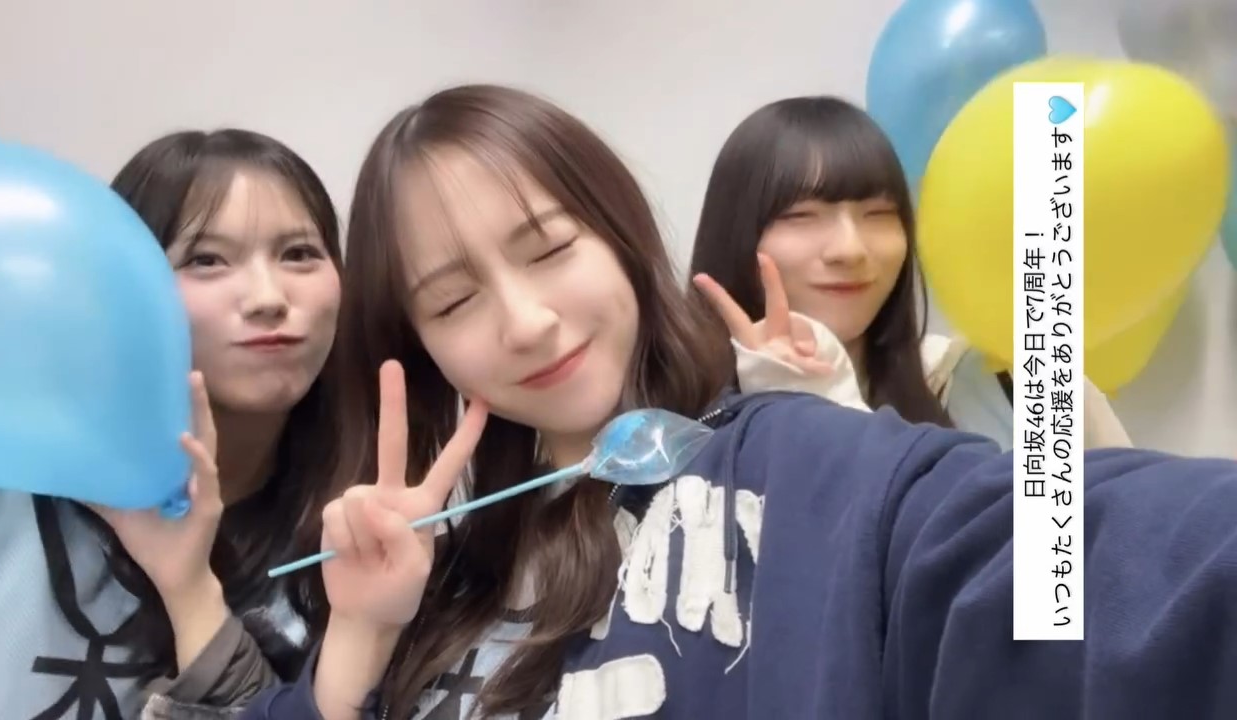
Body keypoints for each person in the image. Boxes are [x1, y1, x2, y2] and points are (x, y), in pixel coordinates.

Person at [240, 85, 1237, 720]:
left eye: (549, 249)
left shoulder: (789, 461)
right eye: (455, 301)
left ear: (622, 238)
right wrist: (360, 639)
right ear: (419, 346)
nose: (527, 321)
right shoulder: (430, 568)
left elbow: (1076, 562)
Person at [0, 129, 345, 719]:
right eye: (206, 260)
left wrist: (191, 592)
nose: (268, 297)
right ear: (122, 284)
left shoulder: (352, 543)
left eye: (298, 254)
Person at [687, 96, 1131, 449]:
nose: (850, 250)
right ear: (736, 234)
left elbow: (1108, 531)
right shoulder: (678, 422)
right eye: (801, 216)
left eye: (879, 214)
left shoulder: (1019, 385)